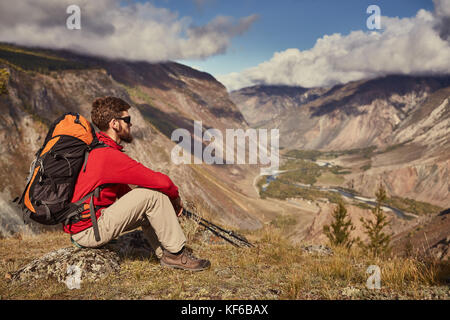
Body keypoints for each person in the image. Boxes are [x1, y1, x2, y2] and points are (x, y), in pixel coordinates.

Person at [66, 96, 211, 272]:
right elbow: (161, 181)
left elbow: (124, 193)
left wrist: (163, 205)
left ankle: (166, 255)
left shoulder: (99, 148)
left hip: (87, 226)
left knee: (152, 200)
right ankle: (176, 255)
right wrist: (175, 198)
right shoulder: (108, 156)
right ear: (115, 124)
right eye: (127, 120)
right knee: (152, 195)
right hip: (89, 231)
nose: (130, 124)